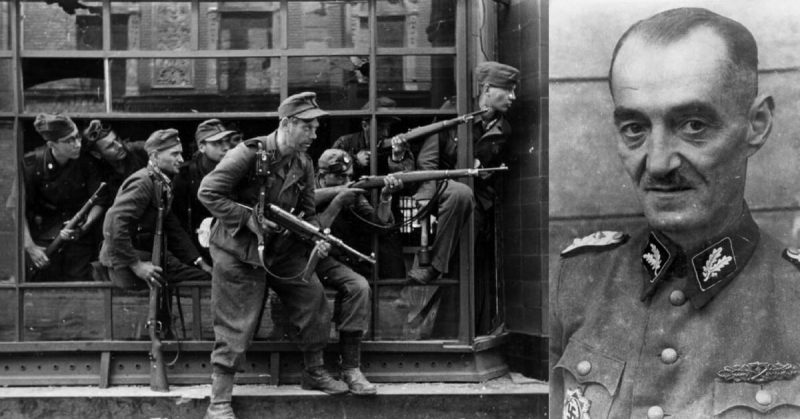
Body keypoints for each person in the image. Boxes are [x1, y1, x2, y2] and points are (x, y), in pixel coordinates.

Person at [549, 8, 800, 418]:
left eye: (694, 125)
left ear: (757, 124)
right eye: (635, 128)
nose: (659, 162)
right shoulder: (572, 285)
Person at [198, 92, 376, 419]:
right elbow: (208, 192)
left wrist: (315, 239)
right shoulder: (247, 154)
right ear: (286, 123)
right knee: (235, 323)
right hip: (239, 251)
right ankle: (219, 401)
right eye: (307, 127)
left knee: (313, 299)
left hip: (283, 250)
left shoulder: (304, 163)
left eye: (315, 127)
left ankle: (314, 371)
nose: (314, 135)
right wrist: (248, 218)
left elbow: (307, 215)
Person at [434, 61, 519, 334]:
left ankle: (471, 331)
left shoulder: (503, 128)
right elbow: (431, 158)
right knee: (453, 269)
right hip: (446, 202)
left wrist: (484, 175)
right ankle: (446, 333)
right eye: (507, 90)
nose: (513, 97)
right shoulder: (452, 114)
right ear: (486, 88)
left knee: (473, 269)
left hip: (480, 208)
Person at [98, 128, 211, 291]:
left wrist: (200, 262)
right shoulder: (143, 182)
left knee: (203, 274)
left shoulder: (161, 182)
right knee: (204, 280)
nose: (180, 159)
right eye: (174, 154)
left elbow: (174, 229)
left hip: (141, 257)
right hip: (126, 265)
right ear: (155, 156)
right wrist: (136, 265)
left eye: (180, 154)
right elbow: (113, 223)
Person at [20, 114, 107, 282]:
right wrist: (30, 247)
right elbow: (17, 209)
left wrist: (85, 226)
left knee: (81, 285)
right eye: (69, 141)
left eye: (77, 137)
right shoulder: (32, 164)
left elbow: (100, 200)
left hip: (78, 238)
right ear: (52, 144)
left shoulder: (85, 161)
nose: (77, 144)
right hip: (43, 238)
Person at [315, 148, 405, 279]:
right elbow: (313, 232)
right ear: (322, 176)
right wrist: (338, 202)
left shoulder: (353, 192)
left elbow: (379, 225)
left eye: (349, 176)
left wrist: (385, 196)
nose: (346, 182)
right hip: (316, 260)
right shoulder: (308, 193)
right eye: (341, 176)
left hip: (345, 260)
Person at [172, 119, 234, 264]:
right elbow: (177, 224)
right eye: (217, 143)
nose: (226, 147)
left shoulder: (237, 170)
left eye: (227, 141)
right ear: (202, 147)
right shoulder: (185, 177)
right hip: (198, 249)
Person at [332, 96, 401, 179]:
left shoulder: (395, 146)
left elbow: (408, 181)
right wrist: (355, 160)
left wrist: (397, 159)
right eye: (380, 128)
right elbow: (328, 172)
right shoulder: (344, 142)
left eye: (388, 128)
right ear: (365, 126)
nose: (386, 133)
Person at [83, 119, 149, 198]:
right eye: (110, 146)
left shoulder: (139, 150)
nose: (119, 146)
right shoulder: (100, 172)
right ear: (97, 154)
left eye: (117, 139)